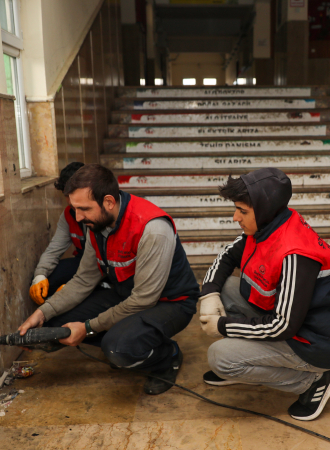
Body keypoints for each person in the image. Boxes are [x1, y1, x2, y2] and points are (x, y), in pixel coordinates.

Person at [18, 164, 200, 395]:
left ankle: (167, 356)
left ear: (109, 202)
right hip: (127, 295)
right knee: (56, 324)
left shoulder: (151, 228)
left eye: (84, 209)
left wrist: (87, 328)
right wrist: (41, 313)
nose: (78, 217)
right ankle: (130, 338)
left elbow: (144, 300)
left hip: (170, 303)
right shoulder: (98, 224)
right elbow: (84, 280)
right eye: (74, 208)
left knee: (117, 348)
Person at [198, 168, 330, 421]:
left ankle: (313, 380)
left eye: (242, 211)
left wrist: (223, 326)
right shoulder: (267, 225)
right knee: (226, 288)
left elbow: (283, 326)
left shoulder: (295, 254)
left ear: (262, 209)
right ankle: (247, 367)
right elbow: (228, 255)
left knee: (220, 358)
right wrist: (208, 294)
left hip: (316, 343)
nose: (235, 217)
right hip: (294, 320)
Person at [29, 161, 86, 305]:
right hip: (82, 263)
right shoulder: (68, 215)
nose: (70, 200)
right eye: (66, 194)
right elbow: (53, 250)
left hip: (104, 269)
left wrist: (74, 286)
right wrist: (40, 276)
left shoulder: (101, 213)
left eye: (74, 192)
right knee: (49, 280)